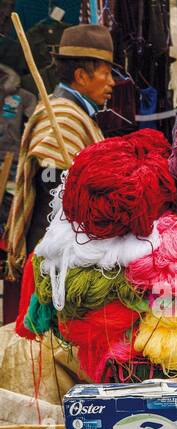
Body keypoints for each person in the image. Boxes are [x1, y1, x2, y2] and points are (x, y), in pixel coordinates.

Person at [4, 23, 114, 281]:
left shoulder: (76, 113)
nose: (111, 83)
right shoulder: (61, 117)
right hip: (53, 252)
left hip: (67, 248)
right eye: (106, 73)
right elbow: (51, 192)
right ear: (82, 76)